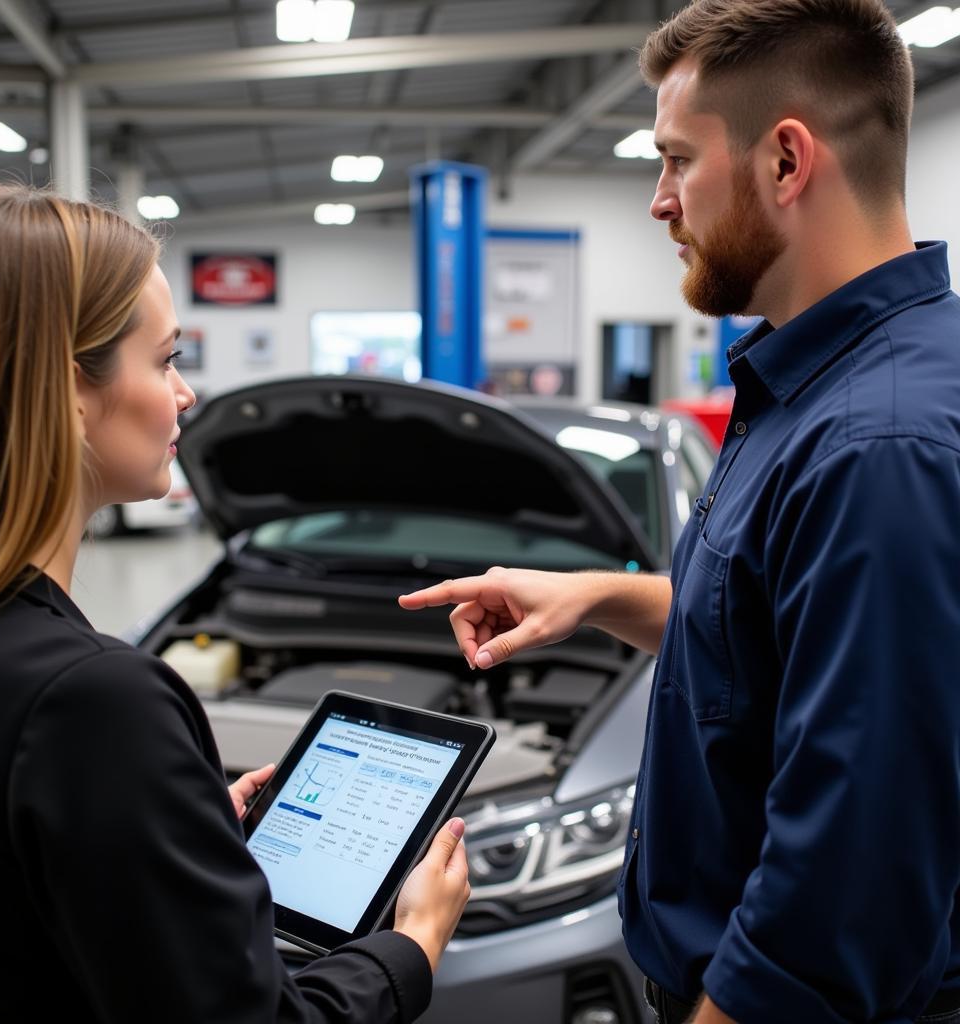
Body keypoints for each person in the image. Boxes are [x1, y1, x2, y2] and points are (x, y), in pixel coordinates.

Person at [400, 2, 960, 1022]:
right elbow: (780, 633)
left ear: (785, 162)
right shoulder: (823, 390)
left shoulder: (876, 446)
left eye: (673, 161)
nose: (658, 201)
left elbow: (841, 889)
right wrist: (597, 594)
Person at [0, 183, 469, 1023]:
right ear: (68, 387)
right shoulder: (90, 701)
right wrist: (410, 949)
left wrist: (153, 829)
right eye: (166, 359)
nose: (185, 395)